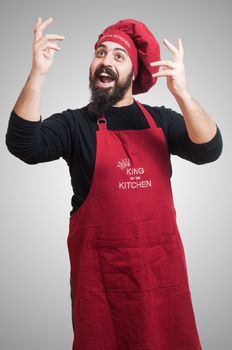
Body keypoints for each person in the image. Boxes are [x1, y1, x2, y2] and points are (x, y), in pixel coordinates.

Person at [5, 17, 223, 350]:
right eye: (100, 52)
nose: (106, 61)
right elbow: (24, 145)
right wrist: (38, 73)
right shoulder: (75, 124)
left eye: (118, 56)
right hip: (101, 283)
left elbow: (209, 149)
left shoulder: (162, 121)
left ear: (134, 73)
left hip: (161, 278)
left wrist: (182, 94)